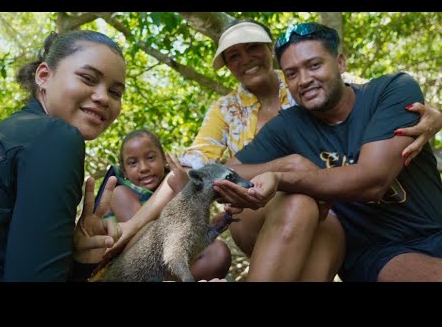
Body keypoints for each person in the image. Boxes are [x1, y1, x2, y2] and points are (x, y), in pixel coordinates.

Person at [104, 19, 442, 281]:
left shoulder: (318, 90)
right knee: (300, 200)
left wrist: (436, 117)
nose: (245, 59)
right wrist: (135, 225)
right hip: (282, 214)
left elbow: (365, 100)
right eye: (233, 56)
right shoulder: (232, 111)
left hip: (353, 218)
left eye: (253, 48)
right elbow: (203, 165)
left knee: (308, 196)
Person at [214, 22, 442, 282]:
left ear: (340, 63)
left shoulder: (391, 90)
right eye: (291, 73)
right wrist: (287, 164)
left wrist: (281, 177)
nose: (304, 80)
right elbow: (226, 172)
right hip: (378, 253)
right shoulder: (288, 125)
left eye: (314, 65)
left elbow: (373, 180)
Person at [0, 30, 126, 281]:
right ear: (44, 75)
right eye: (88, 78)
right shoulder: (55, 136)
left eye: (115, 92)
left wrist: (78, 258)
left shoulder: (17, 131)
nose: (103, 97)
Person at [97, 129, 231, 281]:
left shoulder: (175, 185)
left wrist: (211, 227)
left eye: (151, 158)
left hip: (167, 265)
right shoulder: (120, 194)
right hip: (129, 270)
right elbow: (148, 242)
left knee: (218, 252)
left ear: (165, 159)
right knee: (151, 227)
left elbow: (184, 242)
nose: (144, 168)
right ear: (124, 171)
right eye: (133, 163)